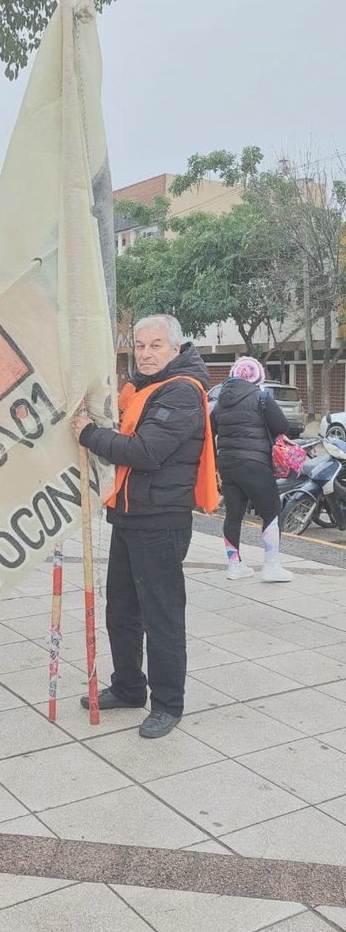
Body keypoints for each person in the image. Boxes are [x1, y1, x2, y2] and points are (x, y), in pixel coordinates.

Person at [72, 314, 214, 740]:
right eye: (140, 345)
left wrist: (88, 434)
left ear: (175, 348)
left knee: (162, 617)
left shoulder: (183, 392)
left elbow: (147, 450)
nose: (146, 353)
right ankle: (129, 686)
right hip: (130, 518)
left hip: (161, 523)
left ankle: (168, 704)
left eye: (155, 346)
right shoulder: (144, 389)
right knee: (122, 611)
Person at [211, 356, 292, 583]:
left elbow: (209, 431)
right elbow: (282, 426)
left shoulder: (220, 402)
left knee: (233, 516)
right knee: (271, 512)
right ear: (257, 377)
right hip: (255, 463)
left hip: (227, 465)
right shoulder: (262, 397)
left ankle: (234, 566)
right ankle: (271, 566)